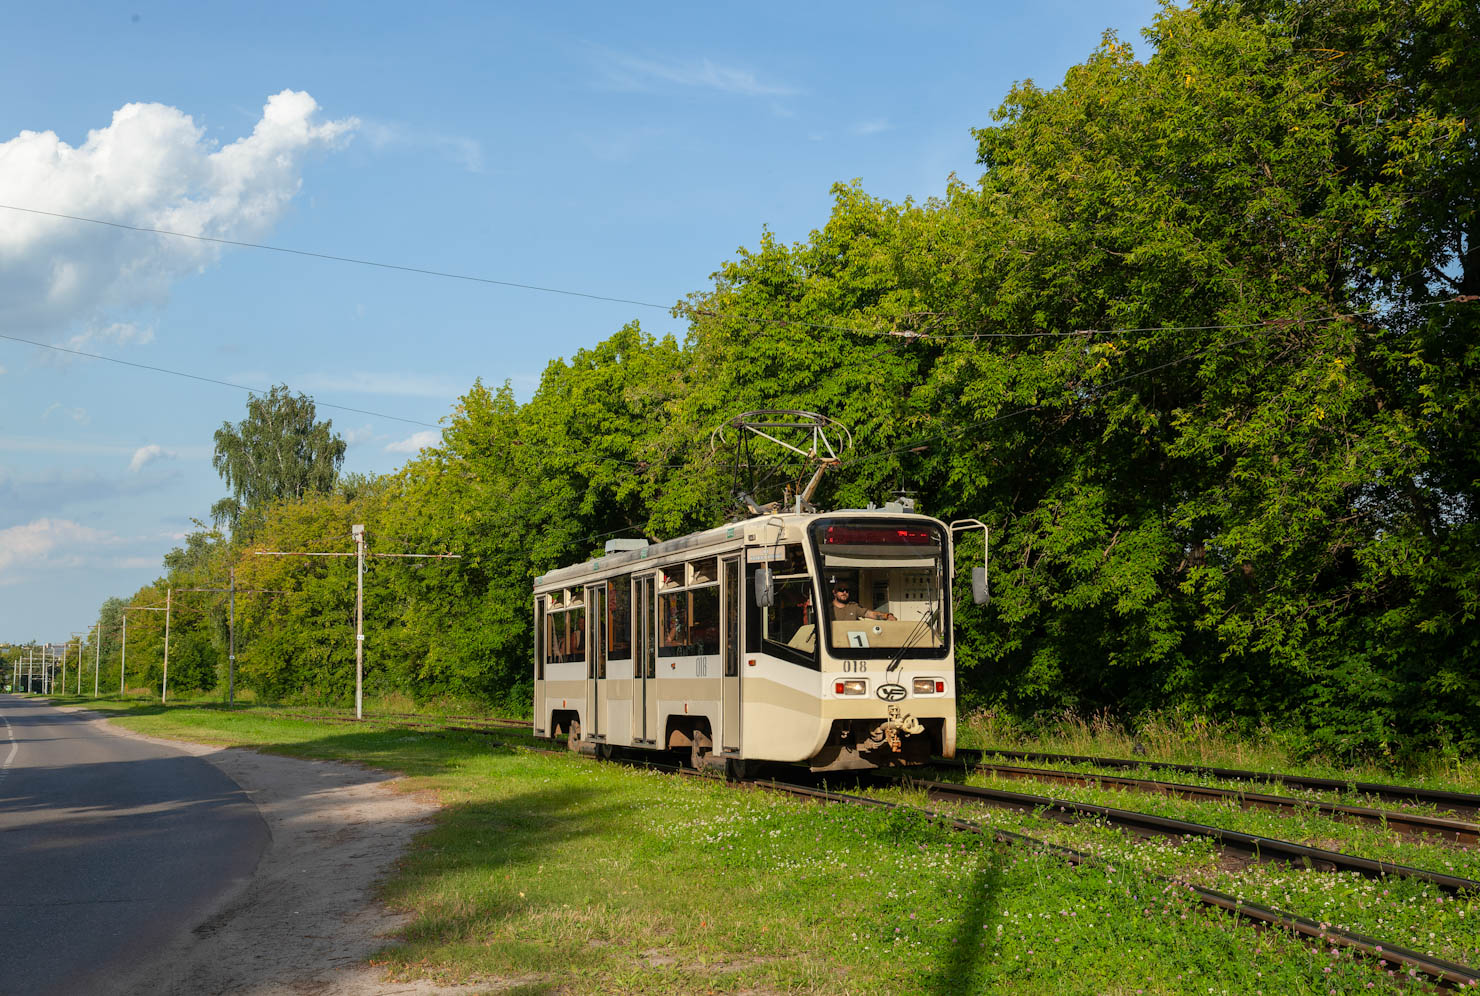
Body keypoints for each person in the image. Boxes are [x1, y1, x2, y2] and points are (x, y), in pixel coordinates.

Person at [829, 579, 895, 621]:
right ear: (834, 592)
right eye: (841, 590)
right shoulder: (827, 608)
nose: (844, 592)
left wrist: (887, 616)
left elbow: (870, 614)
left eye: (847, 590)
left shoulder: (853, 607)